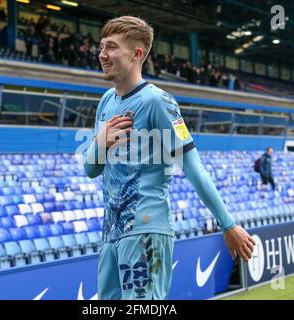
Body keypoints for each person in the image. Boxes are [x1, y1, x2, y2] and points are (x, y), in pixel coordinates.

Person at [82, 16, 255, 300]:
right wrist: (99, 143)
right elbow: (91, 168)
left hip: (146, 229)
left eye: (111, 47)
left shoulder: (157, 102)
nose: (102, 54)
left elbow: (193, 166)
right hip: (111, 234)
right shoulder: (106, 102)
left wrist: (228, 224)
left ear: (137, 54)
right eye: (101, 47)